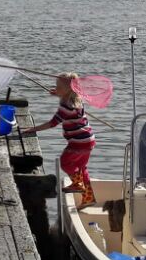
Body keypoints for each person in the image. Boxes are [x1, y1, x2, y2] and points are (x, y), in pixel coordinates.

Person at [21, 72, 96, 206]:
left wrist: (33, 129)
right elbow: (68, 98)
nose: (56, 88)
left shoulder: (65, 107)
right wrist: (59, 94)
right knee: (81, 168)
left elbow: (52, 123)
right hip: (89, 140)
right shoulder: (77, 99)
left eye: (59, 87)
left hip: (77, 143)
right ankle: (88, 198)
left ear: (68, 90)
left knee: (65, 162)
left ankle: (78, 184)